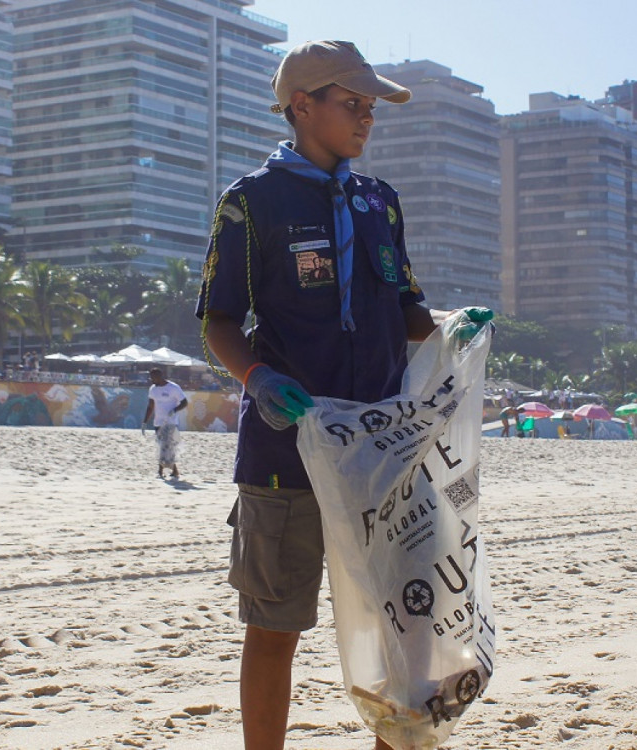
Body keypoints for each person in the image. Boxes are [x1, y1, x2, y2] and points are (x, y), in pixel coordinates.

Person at [196, 40, 492, 750]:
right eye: (352, 103)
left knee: (412, 622)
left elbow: (405, 311)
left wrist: (448, 326)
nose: (366, 117)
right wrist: (258, 379)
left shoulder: (378, 203)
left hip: (388, 451)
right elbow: (217, 320)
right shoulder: (251, 204)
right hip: (285, 449)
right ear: (303, 104)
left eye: (370, 106)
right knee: (276, 626)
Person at [142, 367, 188, 479]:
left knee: (168, 446)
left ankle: (161, 471)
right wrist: (145, 421)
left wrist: (174, 410)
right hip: (158, 422)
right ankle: (174, 471)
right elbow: (150, 406)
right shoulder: (153, 389)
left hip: (171, 422)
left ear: (159, 377)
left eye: (153, 377)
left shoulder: (173, 388)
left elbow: (184, 402)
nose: (151, 380)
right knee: (161, 446)